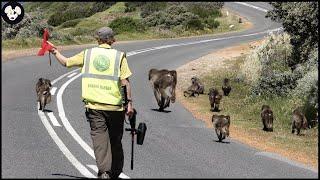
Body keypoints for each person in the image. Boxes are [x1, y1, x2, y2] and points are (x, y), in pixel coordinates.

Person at [48, 27, 134, 179]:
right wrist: (130, 104)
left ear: (97, 39)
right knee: (115, 141)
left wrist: (55, 52)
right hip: (115, 107)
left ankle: (104, 172)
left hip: (94, 107)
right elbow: (125, 82)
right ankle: (114, 172)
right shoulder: (119, 56)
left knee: (100, 140)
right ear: (113, 40)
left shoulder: (88, 54)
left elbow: (66, 62)